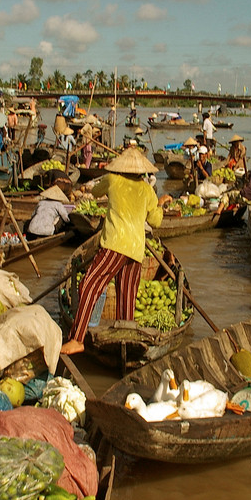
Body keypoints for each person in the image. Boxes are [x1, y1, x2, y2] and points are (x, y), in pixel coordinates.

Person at [63, 147, 163, 355]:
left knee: (89, 284)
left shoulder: (113, 179)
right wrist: (160, 204)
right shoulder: (147, 190)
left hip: (115, 244)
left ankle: (77, 338)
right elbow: (155, 221)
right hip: (136, 249)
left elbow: (95, 192)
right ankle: (125, 342)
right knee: (126, 296)